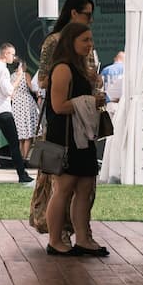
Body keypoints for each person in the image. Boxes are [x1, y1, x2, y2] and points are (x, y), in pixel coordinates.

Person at [30, 0, 100, 239]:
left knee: (84, 185)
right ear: (73, 13)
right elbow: (43, 81)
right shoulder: (55, 43)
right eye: (87, 15)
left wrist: (90, 80)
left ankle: (81, 233)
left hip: (83, 125)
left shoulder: (84, 46)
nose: (91, 20)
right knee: (61, 184)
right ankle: (57, 233)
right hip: (64, 126)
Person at [43, 22, 109, 257]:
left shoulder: (81, 68)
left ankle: (83, 238)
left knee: (85, 187)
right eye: (85, 40)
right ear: (71, 42)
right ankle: (55, 240)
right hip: (65, 138)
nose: (90, 44)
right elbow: (58, 106)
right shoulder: (63, 68)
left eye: (91, 39)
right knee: (63, 188)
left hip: (83, 136)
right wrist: (91, 102)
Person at [0, 43, 35, 184]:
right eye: (12, 54)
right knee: (13, 143)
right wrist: (18, 77)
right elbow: (8, 91)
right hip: (2, 110)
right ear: (5, 54)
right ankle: (22, 174)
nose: (13, 57)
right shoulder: (2, 69)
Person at [10, 58, 41, 166]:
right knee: (28, 133)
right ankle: (24, 158)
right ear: (22, 66)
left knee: (20, 134)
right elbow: (32, 87)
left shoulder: (12, 76)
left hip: (16, 104)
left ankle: (19, 159)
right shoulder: (25, 75)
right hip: (26, 103)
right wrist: (39, 89)